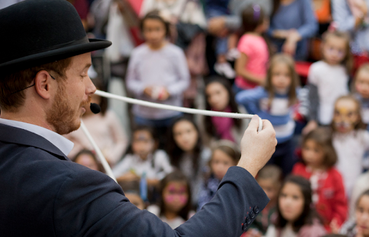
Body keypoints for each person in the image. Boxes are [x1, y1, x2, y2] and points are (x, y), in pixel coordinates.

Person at [0, 1, 278, 237]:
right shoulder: (72, 187)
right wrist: (247, 168)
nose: (91, 88)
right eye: (84, 73)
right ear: (44, 84)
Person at [126, 10, 190, 145]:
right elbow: (130, 81)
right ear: (142, 31)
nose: (153, 34)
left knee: (171, 147)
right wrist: (143, 89)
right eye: (148, 30)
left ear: (165, 30)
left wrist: (170, 91)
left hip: (171, 112)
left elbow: (184, 80)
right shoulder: (138, 54)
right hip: (144, 114)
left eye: (157, 29)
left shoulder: (175, 53)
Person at [236, 54, 300, 175]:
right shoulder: (263, 92)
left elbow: (301, 102)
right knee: (266, 174)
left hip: (287, 139)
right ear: (269, 75)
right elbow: (241, 98)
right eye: (277, 74)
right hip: (266, 141)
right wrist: (256, 114)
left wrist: (295, 113)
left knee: (287, 171)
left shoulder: (294, 92)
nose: (281, 79)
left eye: (286, 75)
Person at [293, 128, 347, 232]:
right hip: (300, 225)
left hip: (326, 228)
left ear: (327, 151)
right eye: (307, 148)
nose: (309, 154)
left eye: (316, 150)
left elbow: (341, 205)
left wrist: (336, 223)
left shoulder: (335, 175)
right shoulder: (298, 169)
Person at [66, 80, 128, 165]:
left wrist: (111, 157)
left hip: (104, 164)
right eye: (87, 97)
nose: (90, 102)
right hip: (79, 164)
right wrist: (76, 155)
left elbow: (121, 140)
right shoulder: (71, 119)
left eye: (95, 98)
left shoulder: (108, 116)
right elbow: (63, 142)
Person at [332, 95, 369, 198]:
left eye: (349, 114)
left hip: (354, 187)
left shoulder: (361, 137)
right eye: (337, 113)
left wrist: (367, 163)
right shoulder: (330, 137)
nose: (342, 120)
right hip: (333, 188)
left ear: (357, 117)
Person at [305, 31, 352, 130]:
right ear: (323, 47)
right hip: (323, 118)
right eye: (331, 49)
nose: (334, 54)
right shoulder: (316, 69)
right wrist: (312, 120)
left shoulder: (344, 69)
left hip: (342, 118)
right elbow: (312, 97)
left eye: (340, 51)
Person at [167, 117, 211, 206]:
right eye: (178, 134)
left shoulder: (207, 156)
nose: (184, 138)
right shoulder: (173, 157)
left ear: (197, 132)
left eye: (188, 131)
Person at [234, 4, 270, 93]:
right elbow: (240, 70)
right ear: (260, 24)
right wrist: (261, 80)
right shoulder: (246, 40)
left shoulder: (260, 38)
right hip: (245, 89)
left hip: (256, 88)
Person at [198, 141, 240, 210]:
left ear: (235, 163)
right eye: (216, 162)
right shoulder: (207, 180)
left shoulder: (237, 184)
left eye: (225, 163)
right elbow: (202, 203)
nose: (220, 168)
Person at [202, 76, 244, 144]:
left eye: (218, 93)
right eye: (209, 96)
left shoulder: (240, 112)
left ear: (228, 92)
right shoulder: (205, 117)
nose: (214, 99)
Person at [252, 164, 283, 234]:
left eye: (269, 189)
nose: (264, 192)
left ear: (278, 188)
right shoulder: (254, 203)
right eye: (261, 187)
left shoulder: (279, 207)